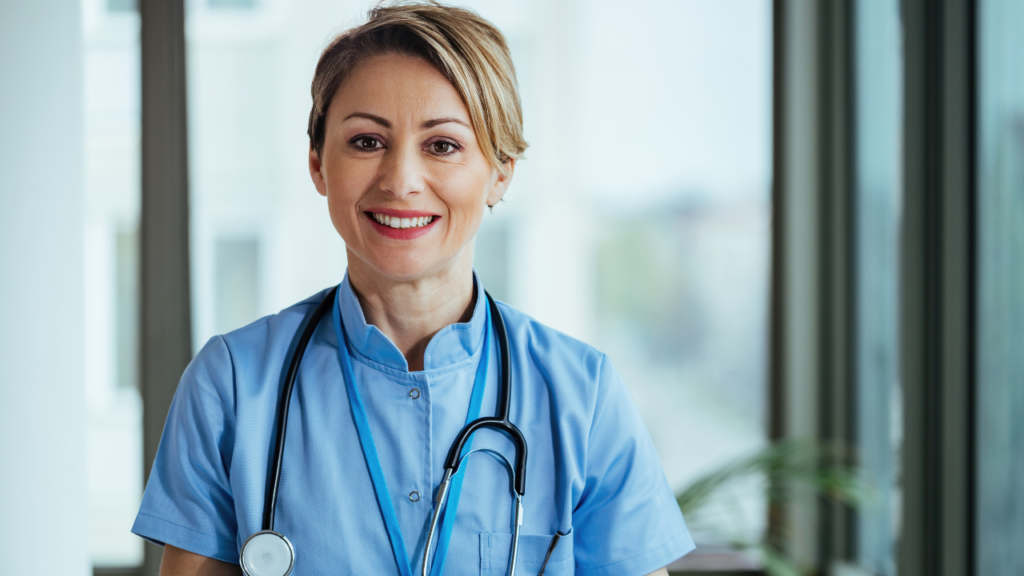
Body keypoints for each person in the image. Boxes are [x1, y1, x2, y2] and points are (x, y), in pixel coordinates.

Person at [132, 3, 695, 575]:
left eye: (443, 145)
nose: (401, 180)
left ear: (500, 171)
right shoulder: (231, 386)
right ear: (317, 164)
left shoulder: (582, 397)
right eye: (367, 142)